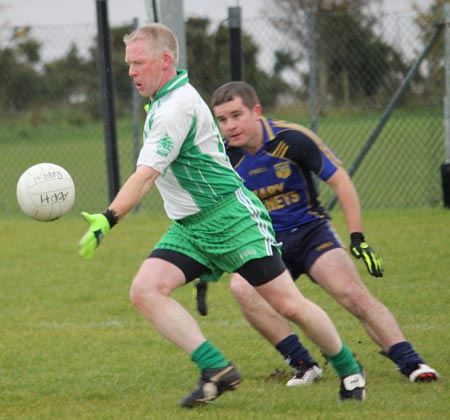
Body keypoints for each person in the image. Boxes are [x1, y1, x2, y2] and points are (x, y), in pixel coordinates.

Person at [78, 23, 367, 407]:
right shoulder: (165, 101)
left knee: (288, 305)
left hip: (231, 220)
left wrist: (108, 217)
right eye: (128, 63)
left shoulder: (175, 108)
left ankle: (349, 369)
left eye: (138, 63)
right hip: (191, 227)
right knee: (145, 290)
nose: (130, 71)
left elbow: (145, 176)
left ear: (165, 61)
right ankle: (215, 368)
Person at [206, 80, 440, 387]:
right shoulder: (221, 158)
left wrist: (357, 238)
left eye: (236, 115)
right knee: (242, 288)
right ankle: (304, 364)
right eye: (222, 120)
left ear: (257, 111)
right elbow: (213, 211)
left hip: (310, 233)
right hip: (265, 242)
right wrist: (208, 264)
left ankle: (411, 362)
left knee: (352, 294)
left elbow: (341, 182)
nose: (230, 126)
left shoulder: (292, 138)